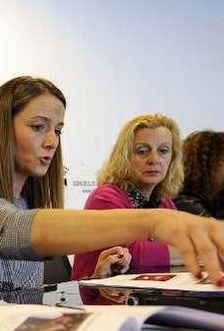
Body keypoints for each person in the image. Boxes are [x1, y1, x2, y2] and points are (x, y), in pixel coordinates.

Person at [0, 76, 224, 302]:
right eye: (38, 127)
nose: (51, 141)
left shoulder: (24, 201)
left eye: (58, 130)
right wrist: (151, 222)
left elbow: (30, 299)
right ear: (1, 128)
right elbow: (8, 231)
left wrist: (97, 278)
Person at [71, 113, 184, 285]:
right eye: (142, 151)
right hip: (99, 301)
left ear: (172, 158)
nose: (154, 160)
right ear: (125, 156)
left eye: (163, 151)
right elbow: (133, 255)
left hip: (145, 294)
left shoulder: (163, 201)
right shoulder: (105, 197)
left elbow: (181, 240)